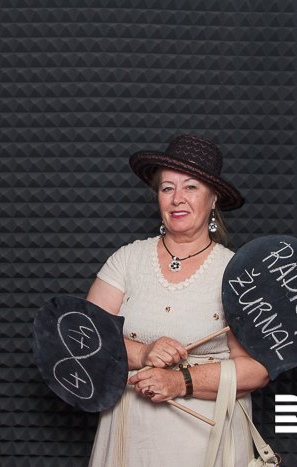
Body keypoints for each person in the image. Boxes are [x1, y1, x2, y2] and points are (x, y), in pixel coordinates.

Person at [86, 134, 269, 467]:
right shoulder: (127, 260)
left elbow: (256, 370)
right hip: (130, 434)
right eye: (167, 188)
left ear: (213, 198)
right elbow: (85, 339)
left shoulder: (237, 273)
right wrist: (142, 352)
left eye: (191, 187)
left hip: (207, 440)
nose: (177, 199)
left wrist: (180, 381)